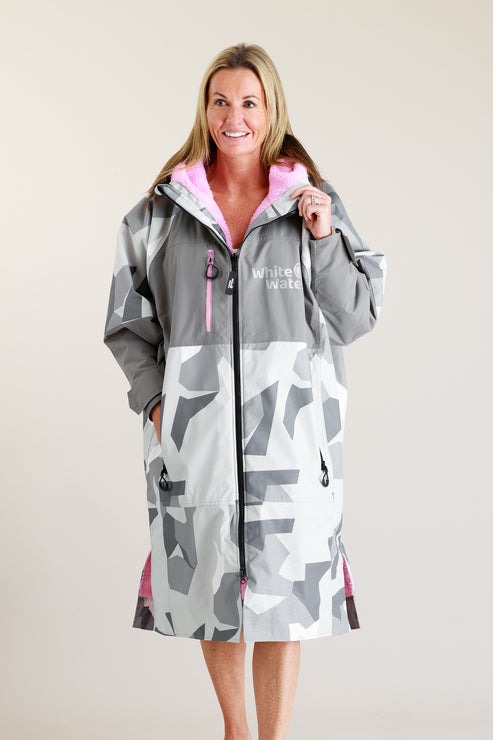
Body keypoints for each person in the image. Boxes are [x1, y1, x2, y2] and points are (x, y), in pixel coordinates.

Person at [104, 42, 386, 740]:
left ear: (271, 110)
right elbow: (127, 325)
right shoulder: (159, 215)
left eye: (250, 102)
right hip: (196, 444)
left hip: (292, 444)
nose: (235, 116)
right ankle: (236, 732)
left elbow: (355, 315)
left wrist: (323, 237)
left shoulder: (310, 204)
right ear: (205, 110)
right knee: (213, 593)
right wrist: (159, 403)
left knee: (284, 599)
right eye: (221, 100)